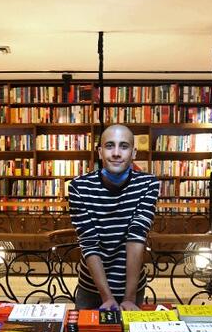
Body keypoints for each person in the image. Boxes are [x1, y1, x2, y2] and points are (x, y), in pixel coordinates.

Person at [68, 124, 160, 311]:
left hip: (132, 287)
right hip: (92, 287)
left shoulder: (149, 184)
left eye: (124, 146)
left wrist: (129, 297)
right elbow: (89, 243)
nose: (116, 153)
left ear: (134, 153)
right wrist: (107, 297)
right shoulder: (79, 187)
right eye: (110, 146)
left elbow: (137, 236)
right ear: (100, 152)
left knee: (131, 330)